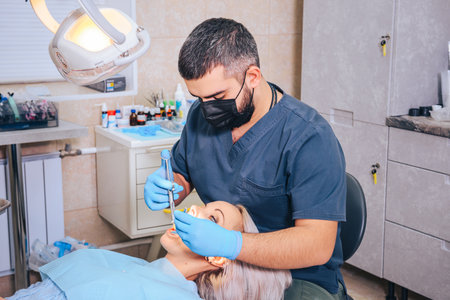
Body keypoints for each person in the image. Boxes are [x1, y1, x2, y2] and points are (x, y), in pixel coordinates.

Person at [144, 18, 347, 299]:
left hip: (297, 275)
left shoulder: (309, 138)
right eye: (198, 98)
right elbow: (182, 173)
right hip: (221, 265)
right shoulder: (200, 116)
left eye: (218, 96)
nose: (208, 109)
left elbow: (317, 245)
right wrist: (171, 183)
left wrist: (232, 243)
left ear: (252, 76)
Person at [4, 201, 291, 300]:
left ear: (217, 256)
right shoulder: (142, 272)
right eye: (203, 205)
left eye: (211, 218)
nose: (192, 209)